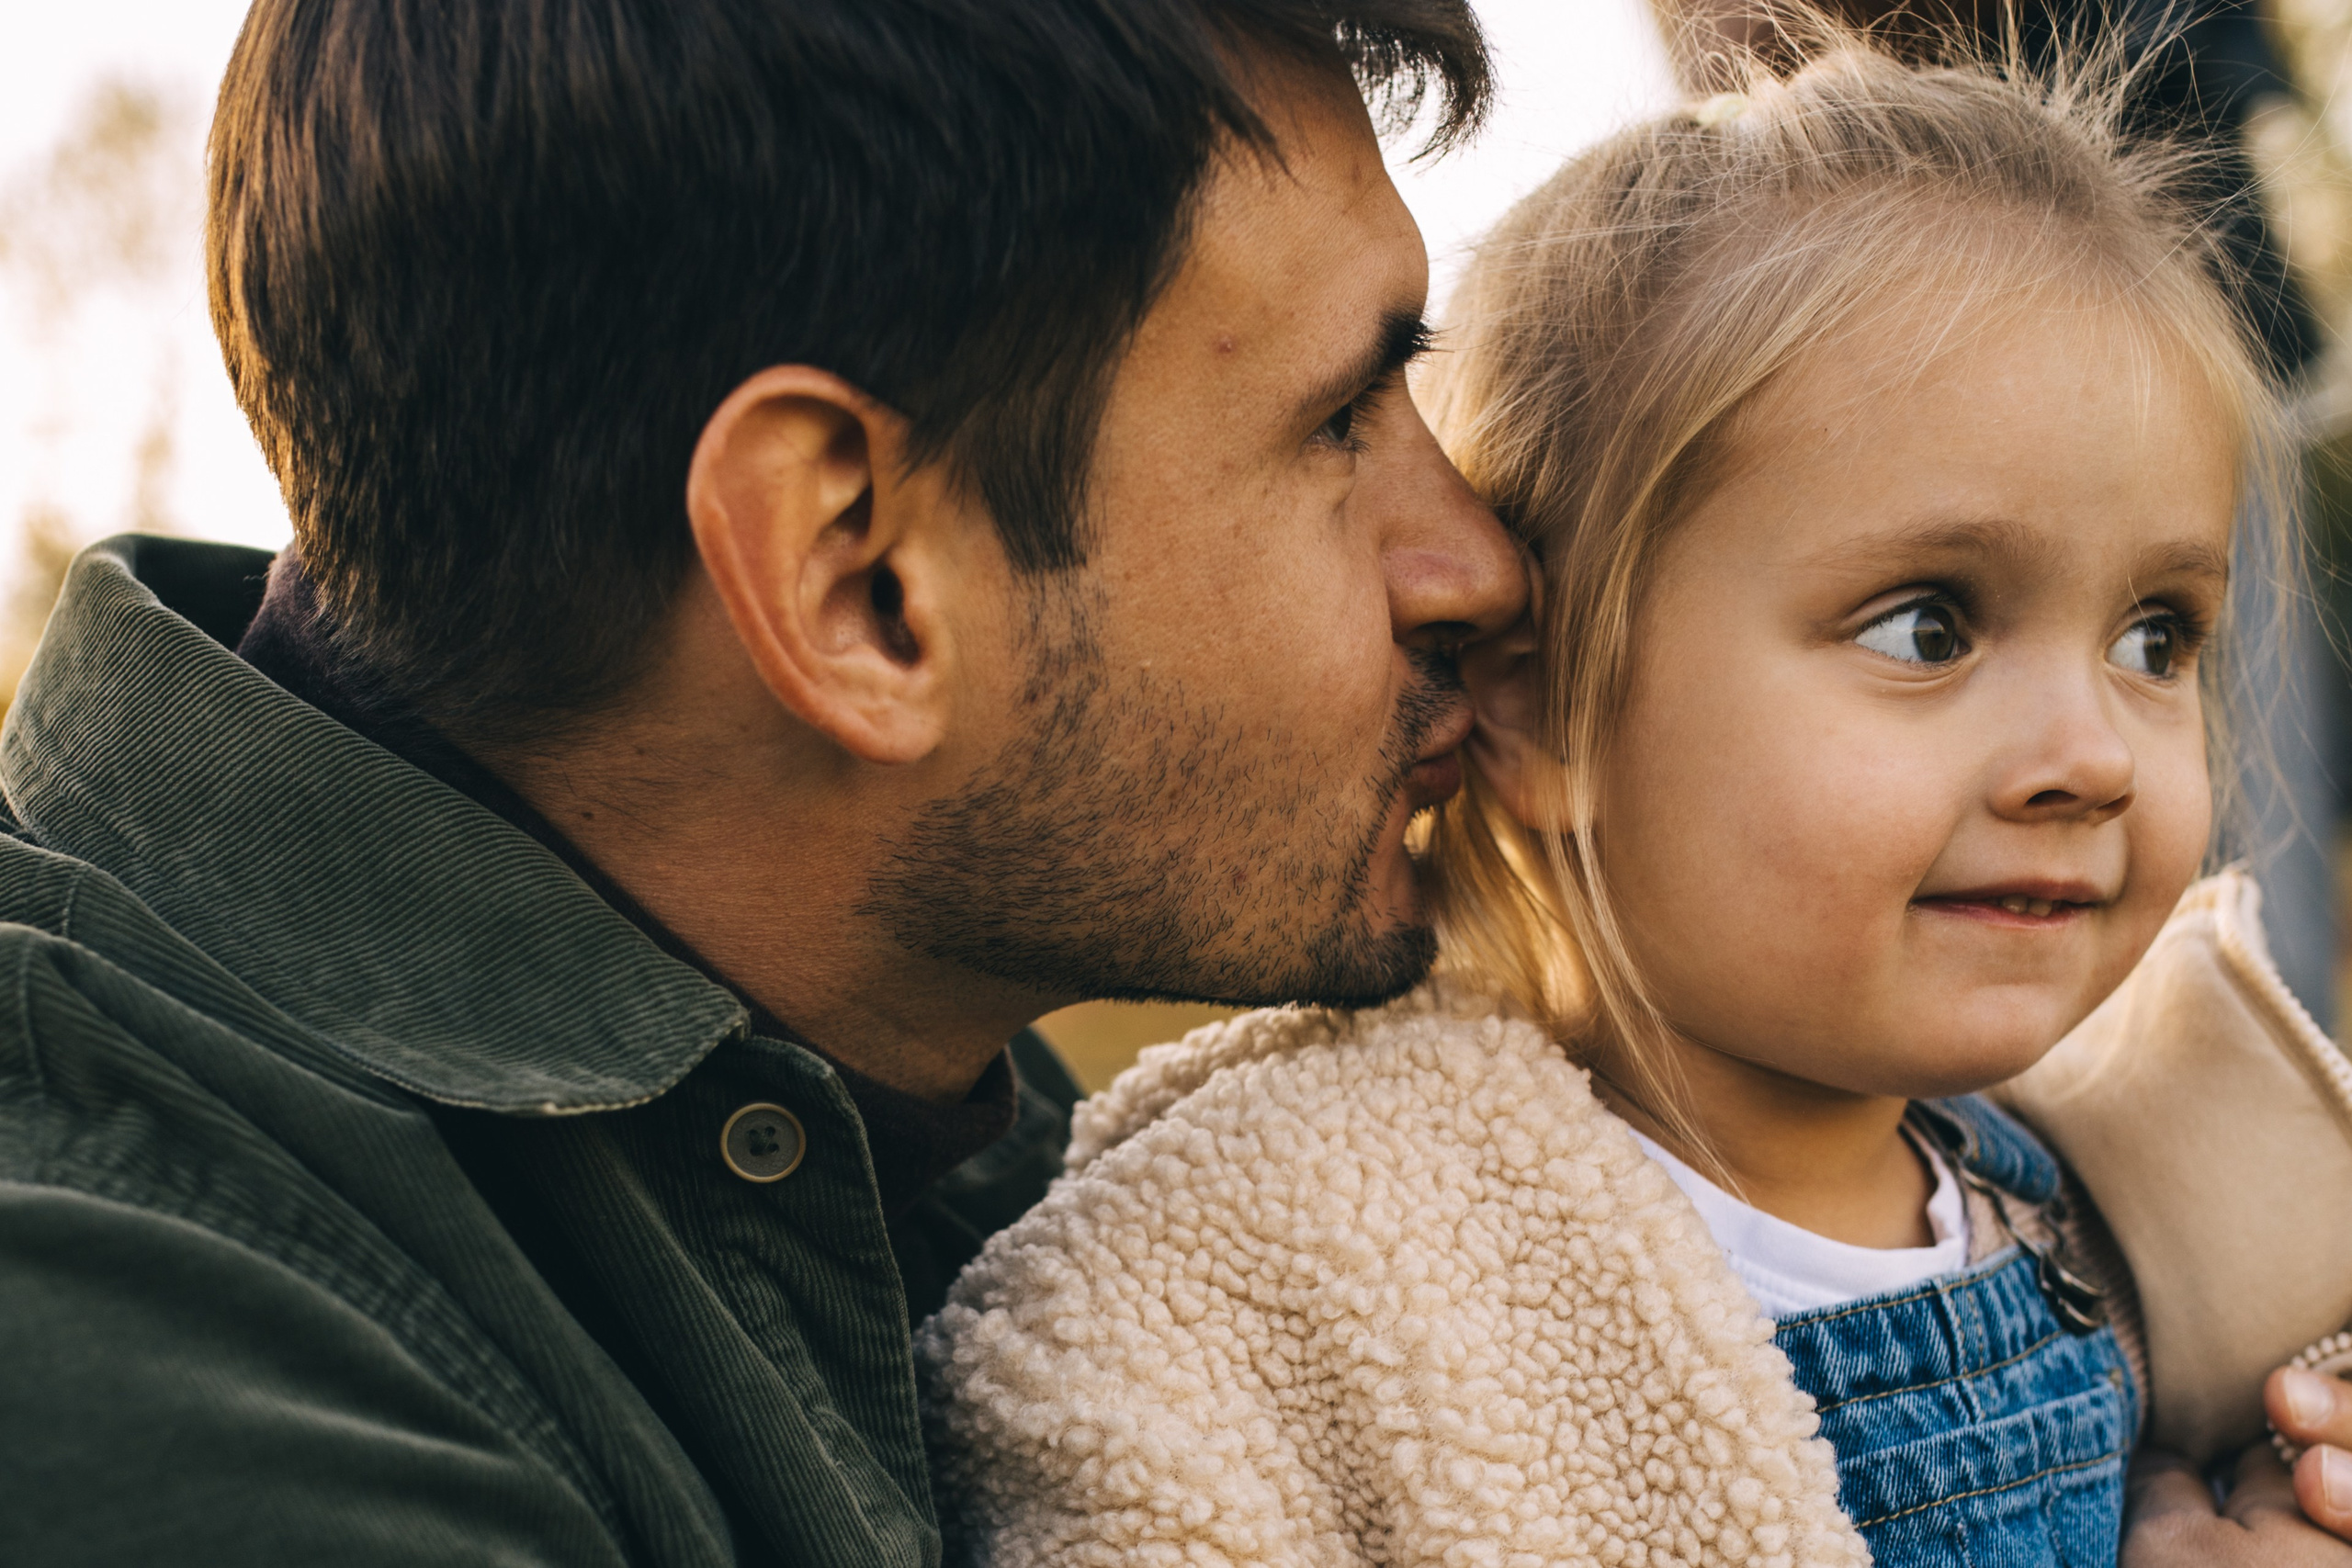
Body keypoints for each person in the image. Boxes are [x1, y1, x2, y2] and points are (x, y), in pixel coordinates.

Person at [0, 1, 1527, 1562]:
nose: (1478, 568)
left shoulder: (927, 1086)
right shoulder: (135, 1372)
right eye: (1340, 417)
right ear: (849, 580)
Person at [918, 30, 2352, 1568]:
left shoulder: (2136, 1227)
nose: (2097, 752)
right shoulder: (1274, 1306)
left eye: (2156, 637)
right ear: (1542, 705)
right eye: (1928, 626)